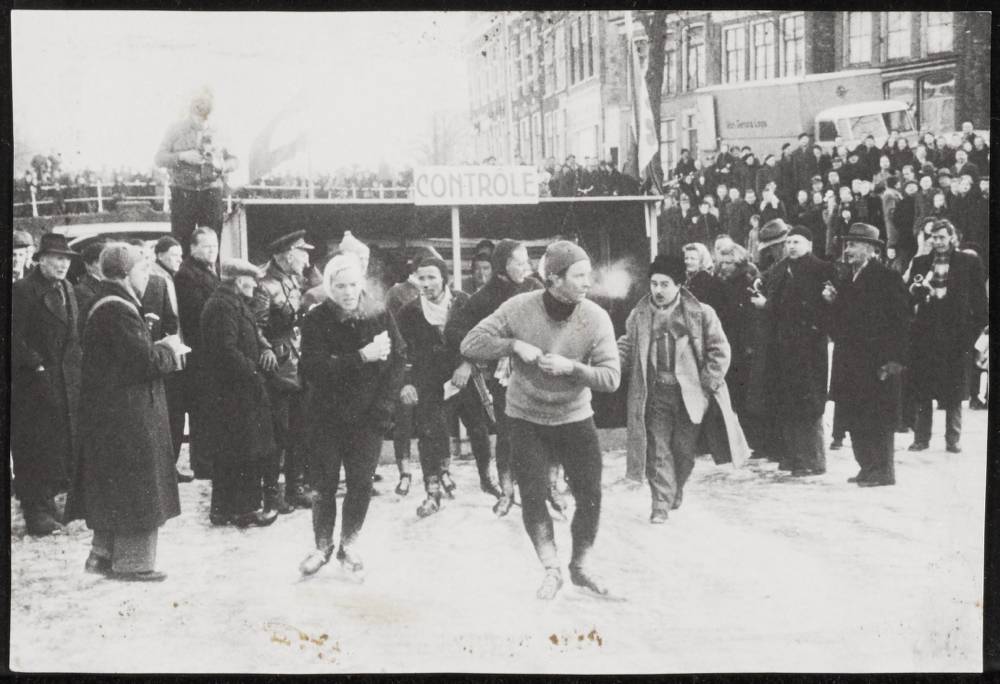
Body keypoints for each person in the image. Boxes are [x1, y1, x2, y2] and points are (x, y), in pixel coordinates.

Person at [461, 241, 621, 600]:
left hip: (574, 416)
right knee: (532, 495)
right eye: (579, 275)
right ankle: (551, 568)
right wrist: (513, 346)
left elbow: (611, 378)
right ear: (553, 279)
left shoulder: (595, 317)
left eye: (588, 273)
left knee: (590, 494)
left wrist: (574, 369)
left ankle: (580, 565)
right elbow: (471, 343)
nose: (587, 281)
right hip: (526, 418)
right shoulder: (519, 308)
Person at [65, 242, 183, 580]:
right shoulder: (117, 308)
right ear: (125, 272)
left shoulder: (106, 302)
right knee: (137, 486)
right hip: (128, 415)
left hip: (115, 413)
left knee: (117, 484)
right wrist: (167, 349)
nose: (147, 275)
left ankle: (102, 555)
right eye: (143, 269)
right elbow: (143, 362)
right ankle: (133, 563)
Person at [298, 252, 406, 578]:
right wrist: (361, 356)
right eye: (339, 285)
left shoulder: (379, 315)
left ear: (362, 284)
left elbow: (397, 362)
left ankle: (349, 544)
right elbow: (314, 368)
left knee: (360, 484)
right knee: (324, 485)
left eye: (353, 285)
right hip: (326, 417)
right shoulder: (316, 320)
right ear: (329, 286)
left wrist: (384, 409)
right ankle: (321, 546)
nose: (347, 292)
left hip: (368, 418)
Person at [619, 254, 748, 523]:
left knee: (683, 451)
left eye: (665, 284)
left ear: (679, 284)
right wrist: (609, 364)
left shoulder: (701, 313)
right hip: (654, 395)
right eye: (654, 284)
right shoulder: (639, 315)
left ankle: (675, 488)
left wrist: (708, 383)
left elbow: (719, 351)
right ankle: (660, 504)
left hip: (690, 395)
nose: (658, 290)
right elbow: (627, 348)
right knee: (657, 450)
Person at [397, 256, 502, 518]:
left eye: (432, 277)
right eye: (421, 278)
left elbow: (482, 337)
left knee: (478, 427)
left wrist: (467, 365)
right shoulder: (409, 312)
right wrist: (407, 383)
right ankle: (432, 491)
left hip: (462, 376)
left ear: (445, 279)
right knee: (430, 434)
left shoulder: (463, 302)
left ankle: (486, 479)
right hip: (428, 381)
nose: (426, 283)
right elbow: (400, 352)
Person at [445, 240, 544, 517]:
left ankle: (546, 489)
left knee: (542, 430)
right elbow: (454, 331)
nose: (527, 267)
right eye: (520, 262)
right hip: (504, 376)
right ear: (503, 266)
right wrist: (478, 355)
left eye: (528, 261)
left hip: (536, 370)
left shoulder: (535, 288)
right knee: (507, 434)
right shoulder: (485, 297)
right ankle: (507, 492)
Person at [824, 224, 909, 487]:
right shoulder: (847, 278)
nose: (847, 250)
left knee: (878, 418)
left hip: (877, 363)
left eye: (854, 245)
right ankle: (867, 466)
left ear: (872, 249)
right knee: (855, 415)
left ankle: (883, 471)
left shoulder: (887, 277)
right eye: (847, 245)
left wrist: (894, 360)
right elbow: (842, 322)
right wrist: (833, 302)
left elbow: (903, 321)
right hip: (850, 362)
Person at [11, 233, 83, 536]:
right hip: (32, 383)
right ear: (40, 259)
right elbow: (13, 338)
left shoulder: (67, 288)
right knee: (33, 446)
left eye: (66, 258)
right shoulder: (22, 291)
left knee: (57, 444)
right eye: (56, 258)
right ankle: (36, 511)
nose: (62, 264)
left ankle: (50, 504)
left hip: (64, 380)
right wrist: (36, 365)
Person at [749, 223, 834, 476]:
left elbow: (811, 308)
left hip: (808, 346)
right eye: (789, 242)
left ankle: (814, 460)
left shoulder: (820, 269)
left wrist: (768, 306)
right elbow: (768, 285)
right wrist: (759, 285)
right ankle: (794, 457)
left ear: (809, 244)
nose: (791, 246)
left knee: (809, 404)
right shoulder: (781, 268)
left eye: (797, 242)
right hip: (783, 347)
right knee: (788, 402)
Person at [201, 259, 277, 527]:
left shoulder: (232, 302)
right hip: (235, 390)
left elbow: (252, 334)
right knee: (242, 450)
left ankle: (224, 510)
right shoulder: (223, 306)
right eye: (251, 280)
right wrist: (254, 372)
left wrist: (265, 348)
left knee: (234, 450)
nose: (255, 285)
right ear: (237, 280)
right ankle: (243, 510)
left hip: (235, 390)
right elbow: (226, 349)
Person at [905, 219, 987, 453]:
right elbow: (909, 298)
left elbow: (979, 300)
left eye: (942, 237)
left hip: (956, 334)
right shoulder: (920, 262)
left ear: (953, 237)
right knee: (923, 388)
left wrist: (975, 332)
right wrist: (918, 294)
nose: (938, 241)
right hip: (926, 333)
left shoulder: (969, 261)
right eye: (934, 237)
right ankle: (921, 438)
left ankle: (953, 438)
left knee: (954, 389)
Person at [252, 230, 315, 513]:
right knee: (278, 433)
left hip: (299, 363)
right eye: (302, 252)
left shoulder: (294, 280)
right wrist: (267, 350)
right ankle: (272, 493)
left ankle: (295, 487)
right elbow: (256, 326)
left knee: (299, 430)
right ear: (287, 254)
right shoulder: (265, 286)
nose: (307, 258)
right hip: (278, 367)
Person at [154, 87, 238, 250]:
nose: (202, 123)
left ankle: (211, 275)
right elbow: (159, 158)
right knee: (181, 244)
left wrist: (221, 165)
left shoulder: (221, 131)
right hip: (183, 193)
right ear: (191, 110)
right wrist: (181, 156)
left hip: (211, 193)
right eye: (198, 118)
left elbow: (235, 161)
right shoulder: (175, 130)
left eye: (206, 119)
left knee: (212, 245)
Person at [173, 227, 220, 477]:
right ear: (193, 248)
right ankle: (203, 463)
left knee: (209, 407)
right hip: (200, 352)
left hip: (207, 352)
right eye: (207, 246)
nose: (213, 251)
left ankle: (207, 460)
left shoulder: (205, 271)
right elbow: (196, 314)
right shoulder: (187, 275)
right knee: (202, 409)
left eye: (215, 246)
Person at [384, 254, 423, 496]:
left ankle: (441, 471)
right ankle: (405, 472)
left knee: (433, 419)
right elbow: (388, 328)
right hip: (404, 362)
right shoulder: (397, 293)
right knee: (404, 420)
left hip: (429, 365)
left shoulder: (440, 293)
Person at [682, 242, 727, 313]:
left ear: (702, 260)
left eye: (693, 259)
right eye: (686, 258)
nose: (688, 262)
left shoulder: (707, 281)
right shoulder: (687, 279)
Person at [74, 242, 107, 318]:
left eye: (106, 262)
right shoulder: (81, 290)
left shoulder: (108, 285)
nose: (105, 266)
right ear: (88, 265)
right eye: (99, 262)